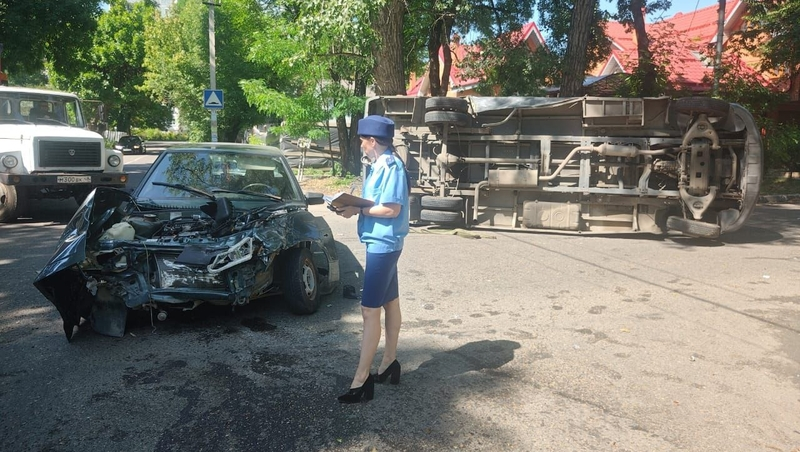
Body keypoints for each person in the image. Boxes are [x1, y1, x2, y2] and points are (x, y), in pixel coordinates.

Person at [336, 115, 409, 404]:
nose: (361, 146)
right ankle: (389, 362)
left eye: (362, 141)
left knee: (369, 311)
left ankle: (361, 379)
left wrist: (358, 210)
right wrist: (352, 206)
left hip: (383, 244)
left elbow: (391, 209)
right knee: (390, 302)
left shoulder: (391, 167)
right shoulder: (381, 164)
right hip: (382, 242)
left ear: (373, 141)